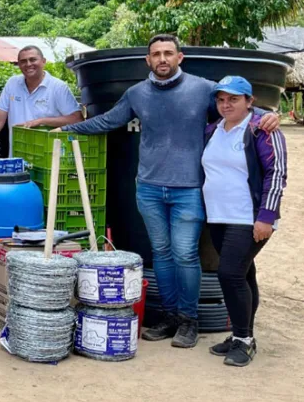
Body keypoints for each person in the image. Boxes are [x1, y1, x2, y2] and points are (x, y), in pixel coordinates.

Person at [60, 34, 280, 348]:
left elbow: (235, 109)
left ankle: (189, 320)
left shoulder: (203, 89)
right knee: (161, 254)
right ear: (148, 60)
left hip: (188, 190)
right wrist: (66, 128)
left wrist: (266, 116)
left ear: (180, 57)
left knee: (185, 255)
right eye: (156, 54)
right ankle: (170, 316)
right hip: (148, 188)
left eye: (168, 53)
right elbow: (108, 120)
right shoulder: (137, 93)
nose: (162, 59)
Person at [201, 76, 286, 367]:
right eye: (221, 100)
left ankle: (244, 340)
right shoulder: (213, 130)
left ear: (249, 101)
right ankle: (241, 335)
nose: (226, 105)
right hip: (218, 216)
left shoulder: (261, 129)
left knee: (230, 274)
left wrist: (267, 216)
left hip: (248, 217)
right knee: (244, 274)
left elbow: (276, 173)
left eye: (234, 99)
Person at [0, 45, 83, 155]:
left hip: (48, 157)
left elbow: (77, 119)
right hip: (17, 157)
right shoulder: (12, 84)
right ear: (18, 65)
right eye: (23, 61)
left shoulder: (58, 87)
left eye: (33, 59)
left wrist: (41, 121)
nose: (28, 64)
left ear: (43, 61)